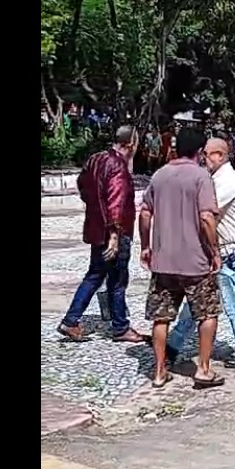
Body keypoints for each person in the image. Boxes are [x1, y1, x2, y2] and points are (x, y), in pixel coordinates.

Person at [138, 128, 225, 389]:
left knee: (161, 317)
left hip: (163, 261)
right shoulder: (201, 177)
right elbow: (207, 217)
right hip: (195, 261)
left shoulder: (159, 175)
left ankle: (159, 371)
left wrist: (145, 246)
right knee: (207, 313)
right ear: (199, 152)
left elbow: (144, 214)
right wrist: (215, 251)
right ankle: (204, 370)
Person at [167, 138, 235, 369]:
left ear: (220, 155)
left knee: (233, 304)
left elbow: (207, 211)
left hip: (232, 252)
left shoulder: (227, 180)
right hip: (219, 250)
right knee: (196, 301)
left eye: (207, 154)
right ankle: (173, 345)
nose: (203, 158)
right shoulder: (214, 178)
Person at [57, 126, 146, 343]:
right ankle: (117, 326)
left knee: (97, 275)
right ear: (129, 144)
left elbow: (82, 184)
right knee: (115, 280)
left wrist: (95, 208)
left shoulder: (96, 159)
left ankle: (75, 321)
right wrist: (114, 236)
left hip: (96, 227)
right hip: (115, 231)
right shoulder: (118, 167)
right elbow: (115, 202)